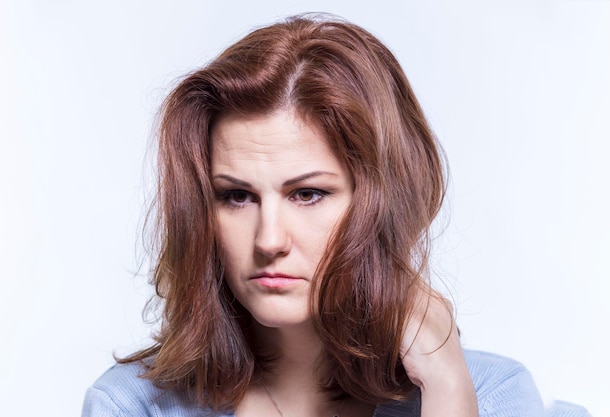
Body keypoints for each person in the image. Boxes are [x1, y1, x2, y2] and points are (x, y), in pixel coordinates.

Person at [82, 15, 590, 417]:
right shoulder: (131, 406)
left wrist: (447, 390)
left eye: (307, 194)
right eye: (237, 197)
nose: (269, 239)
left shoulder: (489, 395)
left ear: (380, 202)